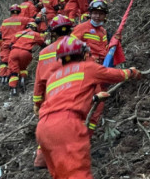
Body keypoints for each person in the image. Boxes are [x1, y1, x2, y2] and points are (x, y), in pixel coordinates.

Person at [35, 36, 140, 178]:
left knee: (61, 174)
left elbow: (62, 101)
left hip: (43, 128)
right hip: (66, 124)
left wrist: (95, 98)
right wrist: (132, 72)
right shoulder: (87, 67)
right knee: (78, 174)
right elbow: (116, 75)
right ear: (84, 53)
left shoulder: (54, 77)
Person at [32, 15, 74, 170]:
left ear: (53, 32)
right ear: (70, 30)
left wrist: (37, 103)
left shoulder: (44, 53)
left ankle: (41, 161)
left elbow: (39, 82)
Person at [0, 4, 34, 83]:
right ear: (19, 11)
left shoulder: (5, 21)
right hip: (16, 45)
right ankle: (18, 79)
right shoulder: (23, 19)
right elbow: (33, 22)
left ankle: (3, 77)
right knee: (16, 63)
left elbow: (0, 33)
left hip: (5, 44)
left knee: (4, 61)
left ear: (10, 12)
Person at [8, 21, 46, 96]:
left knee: (13, 71)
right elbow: (42, 44)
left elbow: (11, 44)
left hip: (14, 52)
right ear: (35, 29)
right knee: (23, 68)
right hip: (26, 53)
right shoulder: (36, 34)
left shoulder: (19, 33)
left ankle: (14, 89)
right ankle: (22, 81)